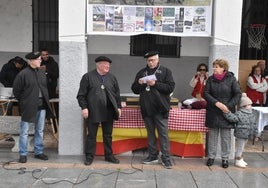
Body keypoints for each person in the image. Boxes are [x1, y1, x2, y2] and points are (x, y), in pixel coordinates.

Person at [131, 51, 175, 169]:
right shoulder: (141, 72)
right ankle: (152, 155)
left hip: (161, 108)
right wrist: (139, 83)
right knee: (150, 134)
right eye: (148, 60)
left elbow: (170, 87)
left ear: (157, 60)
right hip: (146, 108)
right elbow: (134, 89)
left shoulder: (166, 71)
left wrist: (155, 84)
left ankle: (166, 158)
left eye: (153, 60)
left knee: (163, 134)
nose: (150, 62)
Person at [77, 56, 122, 166]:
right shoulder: (87, 77)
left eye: (108, 65)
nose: (107, 66)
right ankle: (89, 156)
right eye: (105, 64)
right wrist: (84, 107)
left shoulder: (112, 78)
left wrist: (119, 107)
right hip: (93, 110)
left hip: (109, 110)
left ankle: (109, 155)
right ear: (98, 65)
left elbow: (117, 94)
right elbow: (81, 95)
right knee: (92, 135)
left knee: (108, 135)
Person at [13, 51, 53, 163]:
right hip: (28, 106)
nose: (40, 60)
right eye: (38, 59)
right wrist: (25, 102)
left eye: (40, 59)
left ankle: (38, 152)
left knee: (40, 130)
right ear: (31, 61)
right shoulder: (23, 74)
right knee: (24, 131)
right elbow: (16, 91)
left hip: (42, 106)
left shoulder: (41, 73)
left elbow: (45, 88)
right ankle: (23, 154)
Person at [204, 58, 241, 168]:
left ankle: (225, 159)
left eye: (216, 66)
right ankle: (211, 157)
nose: (214, 68)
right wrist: (216, 103)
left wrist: (227, 106)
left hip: (226, 111)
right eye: (214, 66)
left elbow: (237, 94)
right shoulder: (210, 79)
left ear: (223, 68)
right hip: (213, 110)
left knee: (226, 137)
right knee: (213, 136)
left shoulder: (232, 79)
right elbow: (206, 93)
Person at [223, 93, 259, 168]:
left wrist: (256, 134)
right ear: (244, 106)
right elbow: (233, 118)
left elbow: (255, 125)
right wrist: (227, 113)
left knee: (243, 147)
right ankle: (237, 160)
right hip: (241, 134)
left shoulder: (252, 114)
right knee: (240, 147)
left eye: (250, 104)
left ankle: (241, 159)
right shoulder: (239, 113)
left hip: (248, 134)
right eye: (249, 105)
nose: (251, 106)